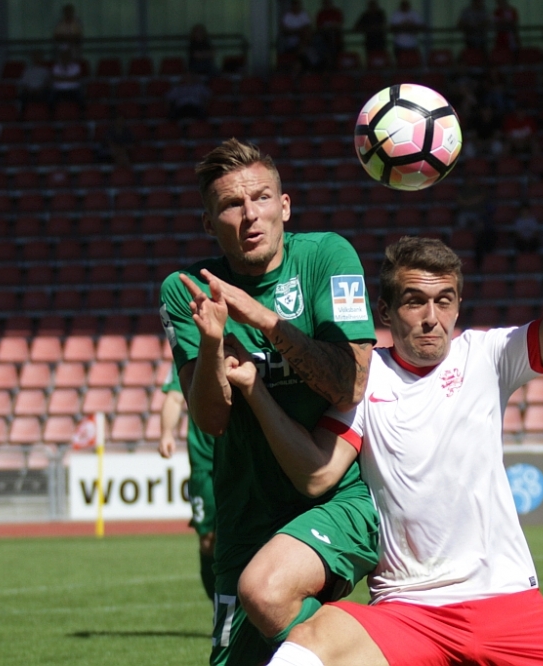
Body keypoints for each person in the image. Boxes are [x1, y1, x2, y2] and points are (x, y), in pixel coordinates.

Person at [230, 165, 543, 666]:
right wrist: (256, 390)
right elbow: (315, 473)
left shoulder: (490, 354)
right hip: (407, 610)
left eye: (444, 300)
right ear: (385, 312)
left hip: (506, 602)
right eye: (414, 301)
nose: (431, 316)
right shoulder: (363, 382)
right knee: (310, 647)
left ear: (458, 307)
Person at [159, 138, 380, 666]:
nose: (249, 214)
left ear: (285, 206)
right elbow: (212, 421)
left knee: (268, 592)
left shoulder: (328, 257)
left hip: (339, 500)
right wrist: (213, 341)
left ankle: (374, 647)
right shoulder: (186, 290)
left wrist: (263, 321)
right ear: (210, 224)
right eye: (232, 205)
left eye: (261, 198)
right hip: (246, 514)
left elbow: (349, 385)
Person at [158, 364, 216, 602]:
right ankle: (220, 610)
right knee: (208, 540)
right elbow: (174, 397)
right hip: (205, 462)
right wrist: (166, 433)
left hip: (242, 458)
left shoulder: (244, 339)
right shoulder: (188, 346)